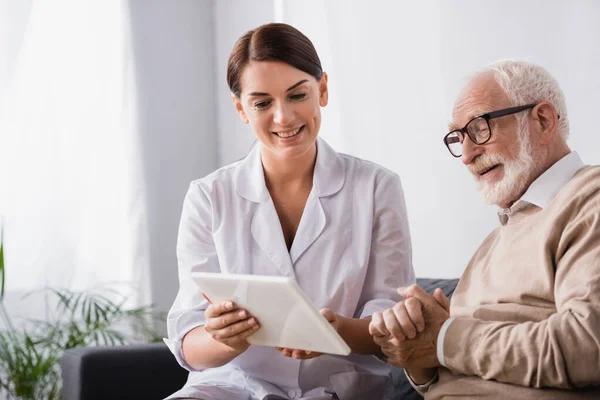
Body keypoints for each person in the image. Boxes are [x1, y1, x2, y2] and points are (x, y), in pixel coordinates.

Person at [164, 23, 415, 400]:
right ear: (242, 109)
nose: (283, 117)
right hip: (231, 387)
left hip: (338, 387)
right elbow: (189, 342)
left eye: (297, 95)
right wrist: (224, 338)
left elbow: (391, 324)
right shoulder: (208, 196)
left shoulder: (376, 187)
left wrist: (335, 332)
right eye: (262, 103)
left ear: (323, 90)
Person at [369, 60, 600, 399]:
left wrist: (446, 339)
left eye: (479, 128)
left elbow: (587, 347)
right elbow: (451, 366)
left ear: (543, 120)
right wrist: (416, 351)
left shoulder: (589, 199)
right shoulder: (494, 241)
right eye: (458, 137)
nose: (466, 154)